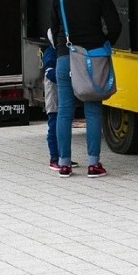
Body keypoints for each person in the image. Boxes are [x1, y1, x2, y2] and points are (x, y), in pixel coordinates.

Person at [50, 0, 121, 178]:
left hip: (65, 57)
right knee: (92, 110)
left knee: (65, 111)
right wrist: (106, 43)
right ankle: (93, 165)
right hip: (92, 59)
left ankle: (64, 164)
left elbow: (53, 28)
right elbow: (115, 26)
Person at [43, 28, 78, 171]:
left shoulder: (61, 52)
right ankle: (54, 158)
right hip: (53, 96)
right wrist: (64, 77)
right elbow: (49, 73)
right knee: (54, 126)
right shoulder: (50, 54)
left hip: (62, 95)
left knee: (63, 125)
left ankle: (64, 156)